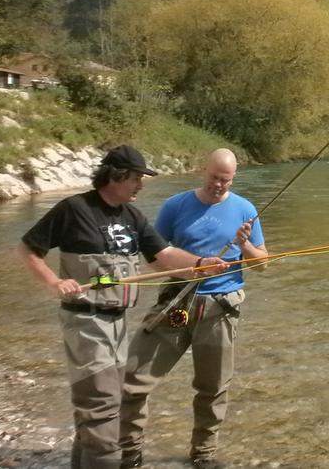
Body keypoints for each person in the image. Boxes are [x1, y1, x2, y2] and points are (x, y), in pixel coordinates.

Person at [17, 145, 226, 469]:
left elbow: (164, 256)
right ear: (116, 175)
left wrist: (200, 264)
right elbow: (30, 249)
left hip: (117, 324)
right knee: (103, 408)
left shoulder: (132, 217)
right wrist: (54, 283)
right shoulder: (74, 209)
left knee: (100, 404)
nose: (141, 186)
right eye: (136, 179)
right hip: (85, 322)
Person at [119, 148, 268, 469]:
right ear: (203, 170)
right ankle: (129, 455)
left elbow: (262, 264)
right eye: (215, 178)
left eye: (226, 181)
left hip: (221, 307)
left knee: (213, 389)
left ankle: (203, 457)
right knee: (133, 379)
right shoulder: (175, 206)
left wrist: (244, 246)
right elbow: (156, 253)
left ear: (233, 179)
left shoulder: (245, 209)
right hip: (174, 299)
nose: (219, 185)